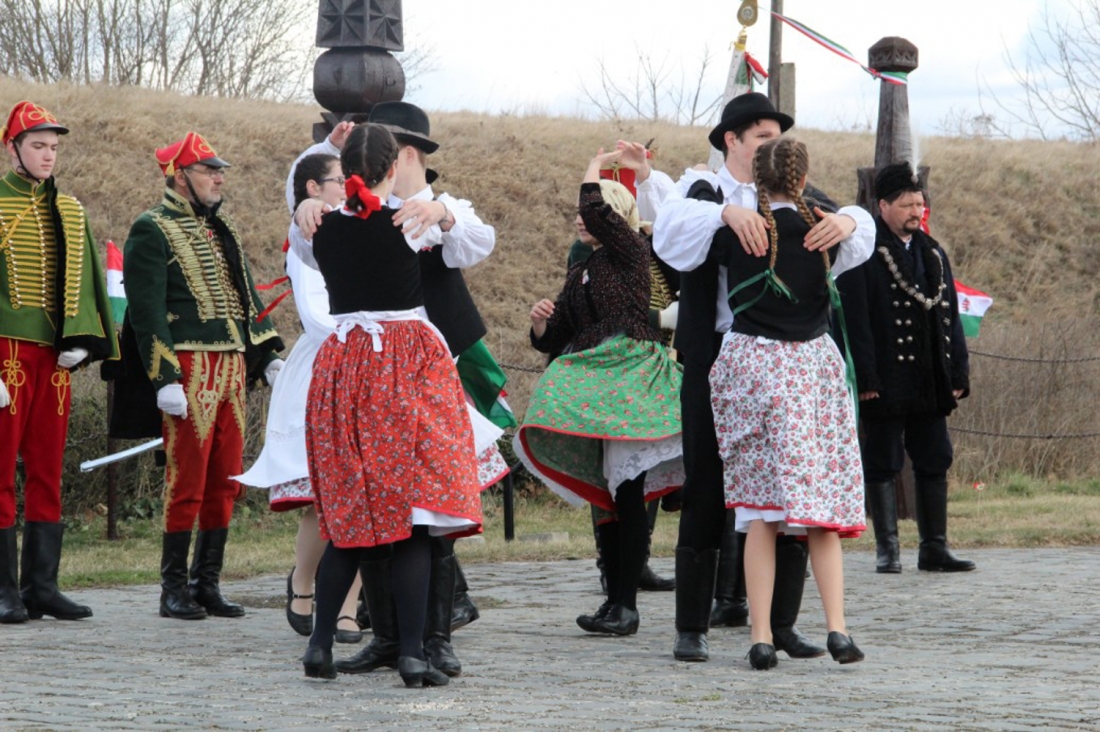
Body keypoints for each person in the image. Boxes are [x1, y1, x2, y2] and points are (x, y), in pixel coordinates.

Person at [644, 92, 875, 662]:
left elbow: (860, 226)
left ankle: (780, 625)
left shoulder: (799, 200)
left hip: (791, 358)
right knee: (706, 484)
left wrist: (848, 219)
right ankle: (691, 625)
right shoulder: (702, 188)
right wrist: (726, 213)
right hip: (718, 355)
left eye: (778, 139)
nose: (774, 147)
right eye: (763, 138)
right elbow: (669, 234)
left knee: (793, 488)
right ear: (733, 140)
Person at [297, 102, 506, 678]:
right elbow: (478, 239)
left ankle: (319, 644)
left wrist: (308, 206)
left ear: (345, 172)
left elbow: (303, 236)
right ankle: (413, 651)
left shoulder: (322, 226)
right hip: (405, 367)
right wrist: (442, 212)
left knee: (350, 518)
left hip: (344, 366)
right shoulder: (408, 223)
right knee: (416, 515)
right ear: (395, 168)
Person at [708, 136, 866, 669]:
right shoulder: (826, 231)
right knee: (819, 512)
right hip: (809, 370)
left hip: (752, 368)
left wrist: (726, 212)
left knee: (760, 515)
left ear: (756, 179)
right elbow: (863, 237)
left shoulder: (736, 231)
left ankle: (760, 637)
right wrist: (847, 218)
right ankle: (838, 629)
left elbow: (674, 237)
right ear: (803, 178)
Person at [515, 149, 685, 637]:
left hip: (631, 376)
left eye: (594, 210)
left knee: (627, 493)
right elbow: (557, 335)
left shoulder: (631, 251)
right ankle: (614, 601)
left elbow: (593, 208)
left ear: (618, 215)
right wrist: (541, 324)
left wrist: (596, 163)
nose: (581, 217)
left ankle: (627, 605)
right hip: (599, 382)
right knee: (609, 497)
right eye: (580, 213)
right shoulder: (583, 269)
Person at [120, 132, 284, 620]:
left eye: (219, 171)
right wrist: (164, 376)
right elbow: (146, 311)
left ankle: (206, 583)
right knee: (186, 479)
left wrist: (267, 354)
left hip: (232, 366)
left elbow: (246, 295)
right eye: (208, 170)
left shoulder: (221, 227)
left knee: (227, 480)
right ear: (180, 176)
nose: (218, 178)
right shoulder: (151, 227)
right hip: (188, 368)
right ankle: (173, 589)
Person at [234, 145, 365, 643]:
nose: (349, 188)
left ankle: (348, 607)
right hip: (326, 367)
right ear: (314, 189)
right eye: (339, 180)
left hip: (372, 365)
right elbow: (316, 315)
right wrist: (368, 329)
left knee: (365, 492)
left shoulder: (364, 222)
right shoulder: (308, 233)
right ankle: (304, 581)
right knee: (322, 497)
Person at [0, 100, 117, 624]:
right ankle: (3, 590)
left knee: (48, 469)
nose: (48, 155)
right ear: (13, 148)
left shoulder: (70, 210)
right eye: (38, 145)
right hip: (6, 353)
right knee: (1, 471)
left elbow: (87, 280)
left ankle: (41, 587)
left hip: (54, 358)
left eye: (53, 147)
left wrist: (85, 340)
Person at [837, 161, 974, 574]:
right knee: (882, 460)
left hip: (929, 378)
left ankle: (934, 548)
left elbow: (949, 317)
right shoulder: (862, 251)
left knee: (935, 457)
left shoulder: (932, 252)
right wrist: (865, 376)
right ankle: (888, 551)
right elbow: (855, 320)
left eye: (919, 204)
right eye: (907, 205)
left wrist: (957, 373)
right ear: (883, 206)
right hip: (886, 377)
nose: (917, 211)